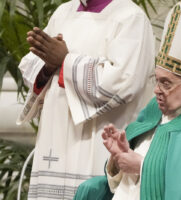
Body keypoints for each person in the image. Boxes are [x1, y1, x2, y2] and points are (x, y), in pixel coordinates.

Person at [73, 1, 181, 200]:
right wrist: (119, 158)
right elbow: (121, 186)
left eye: (166, 83)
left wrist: (142, 166)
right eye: (156, 80)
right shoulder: (156, 110)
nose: (157, 90)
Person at [16, 0, 155, 199]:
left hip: (99, 139)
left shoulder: (131, 17)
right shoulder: (64, 12)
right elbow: (31, 66)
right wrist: (47, 67)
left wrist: (66, 61)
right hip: (54, 141)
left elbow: (125, 81)